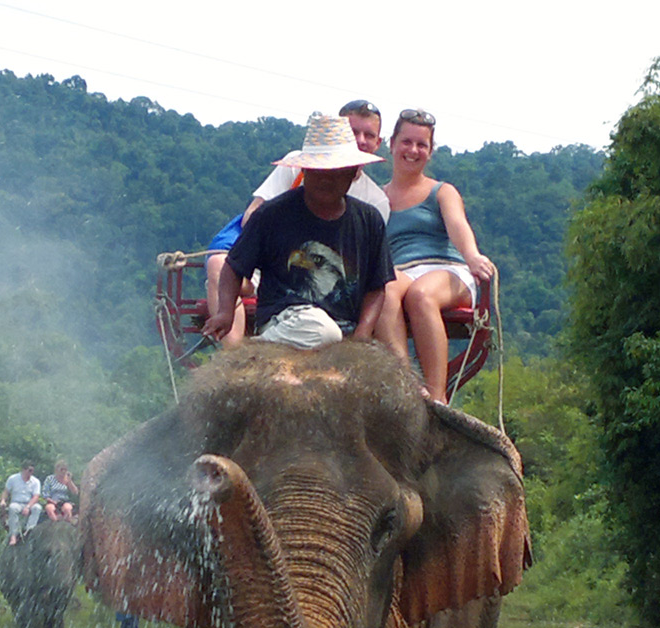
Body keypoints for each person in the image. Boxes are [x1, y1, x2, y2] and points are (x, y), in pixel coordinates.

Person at [203, 99, 390, 346]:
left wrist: (363, 335)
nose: (326, 180)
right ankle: (256, 348)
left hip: (344, 326)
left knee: (332, 335)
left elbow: (376, 287)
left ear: (351, 173)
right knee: (323, 331)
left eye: (336, 171)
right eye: (318, 170)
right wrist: (226, 312)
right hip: (285, 319)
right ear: (304, 171)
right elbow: (233, 267)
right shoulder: (272, 214)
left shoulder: (369, 218)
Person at [376, 108, 498, 402]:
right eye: (407, 142)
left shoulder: (442, 192)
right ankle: (405, 385)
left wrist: (472, 255)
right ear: (391, 144)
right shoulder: (376, 198)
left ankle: (436, 395)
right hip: (401, 270)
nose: (413, 150)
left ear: (430, 152)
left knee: (421, 295)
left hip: (447, 270)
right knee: (385, 289)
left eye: (422, 145)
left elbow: (457, 225)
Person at [0, 462, 42, 546]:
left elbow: (36, 496)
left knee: (38, 508)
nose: (31, 473)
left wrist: (28, 507)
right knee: (12, 508)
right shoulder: (13, 478)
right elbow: (6, 491)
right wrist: (3, 500)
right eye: (29, 470)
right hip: (17, 503)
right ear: (24, 470)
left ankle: (29, 530)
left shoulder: (35, 481)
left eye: (32, 471)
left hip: (29, 503)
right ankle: (13, 535)